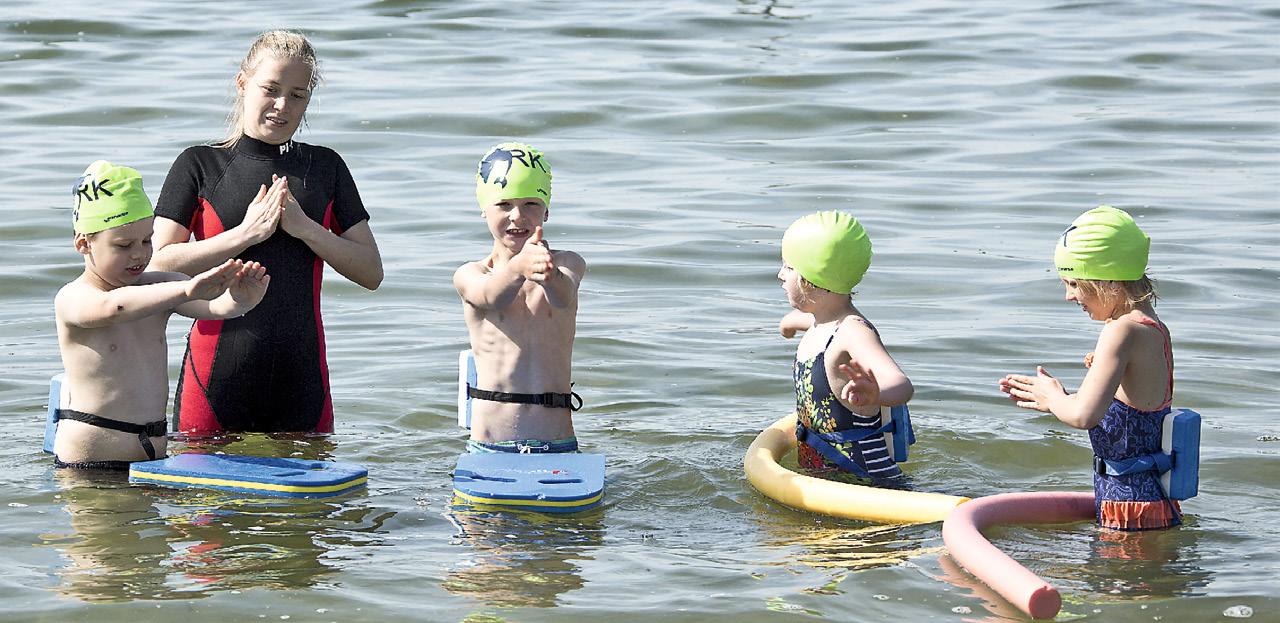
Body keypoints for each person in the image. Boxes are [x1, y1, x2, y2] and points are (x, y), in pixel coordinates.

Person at [149, 30, 382, 435]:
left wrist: (306, 229)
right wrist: (244, 234)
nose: (282, 105)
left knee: (312, 479)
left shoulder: (325, 168)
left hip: (302, 379)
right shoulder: (199, 165)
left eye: (297, 95)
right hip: (216, 376)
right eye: (271, 89)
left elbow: (371, 272)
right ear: (243, 83)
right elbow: (158, 263)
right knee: (197, 476)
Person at [54, 161, 269, 469]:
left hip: (153, 459)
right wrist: (186, 289)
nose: (139, 254)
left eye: (147, 240)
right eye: (123, 245)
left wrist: (241, 300)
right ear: (83, 243)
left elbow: (213, 308)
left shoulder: (161, 286)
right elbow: (113, 307)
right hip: (91, 463)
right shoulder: (73, 297)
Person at [1000, 205, 1180, 531]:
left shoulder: (1121, 330)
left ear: (1111, 282)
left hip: (1130, 509)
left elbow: (1084, 416)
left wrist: (1054, 397)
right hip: (1149, 499)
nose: (1068, 296)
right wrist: (1060, 399)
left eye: (1073, 283)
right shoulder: (1152, 327)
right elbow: (1126, 412)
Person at [453, 142, 587, 453]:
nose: (517, 216)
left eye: (530, 204)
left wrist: (548, 274)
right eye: (504, 204)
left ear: (546, 211)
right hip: (489, 445)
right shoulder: (471, 274)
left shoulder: (567, 263)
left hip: (558, 443)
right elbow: (490, 297)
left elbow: (563, 296)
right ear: (484, 209)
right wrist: (518, 267)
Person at [777, 211, 913, 481]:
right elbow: (807, 322)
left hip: (868, 483)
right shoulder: (822, 322)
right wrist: (788, 323)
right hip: (827, 478)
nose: (781, 275)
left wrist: (876, 394)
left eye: (789, 268)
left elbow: (902, 385)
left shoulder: (853, 332)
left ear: (811, 280)